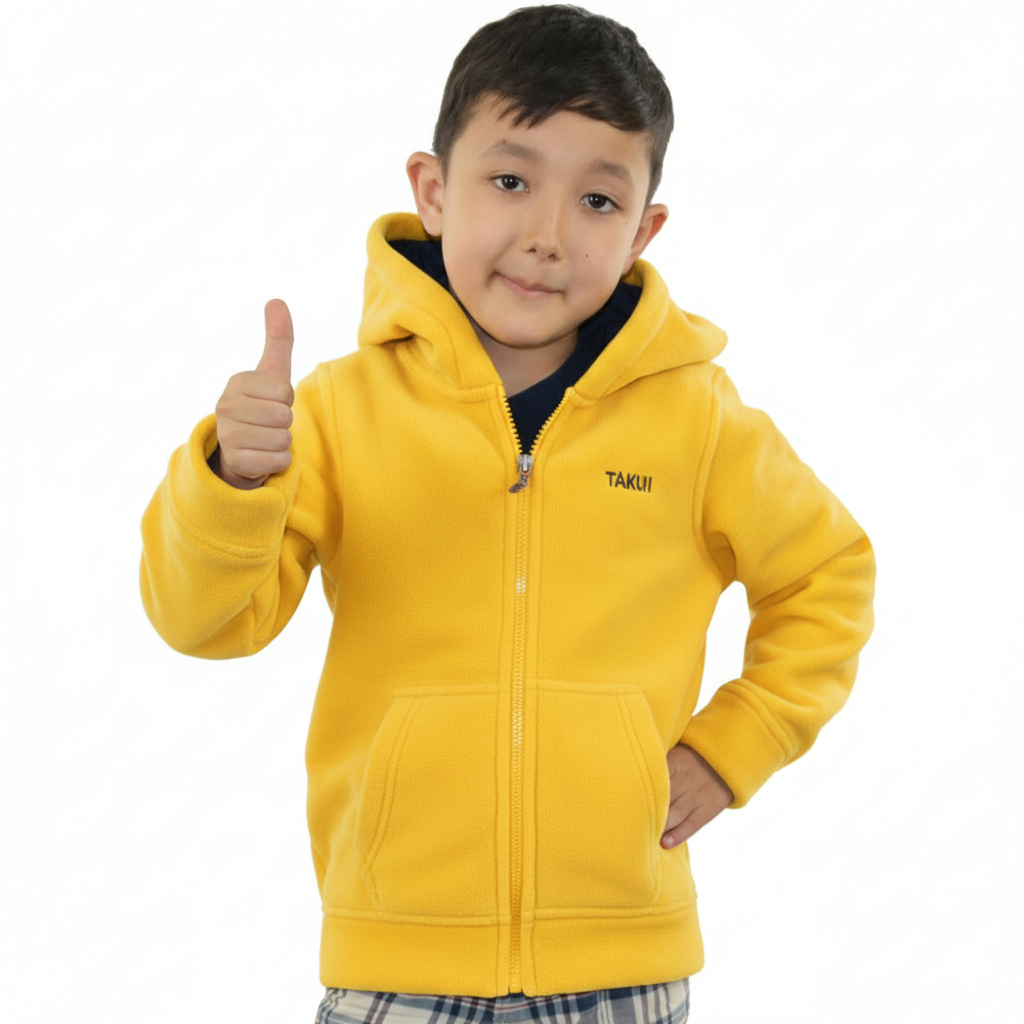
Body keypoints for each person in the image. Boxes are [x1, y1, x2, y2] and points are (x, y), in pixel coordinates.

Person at [140, 5, 875, 1022]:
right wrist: (231, 481)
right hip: (396, 959)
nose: (545, 236)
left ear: (643, 231)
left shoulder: (699, 419)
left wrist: (733, 743)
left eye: (597, 200)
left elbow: (828, 574)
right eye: (511, 181)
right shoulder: (340, 412)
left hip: (622, 966)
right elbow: (204, 623)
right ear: (433, 191)